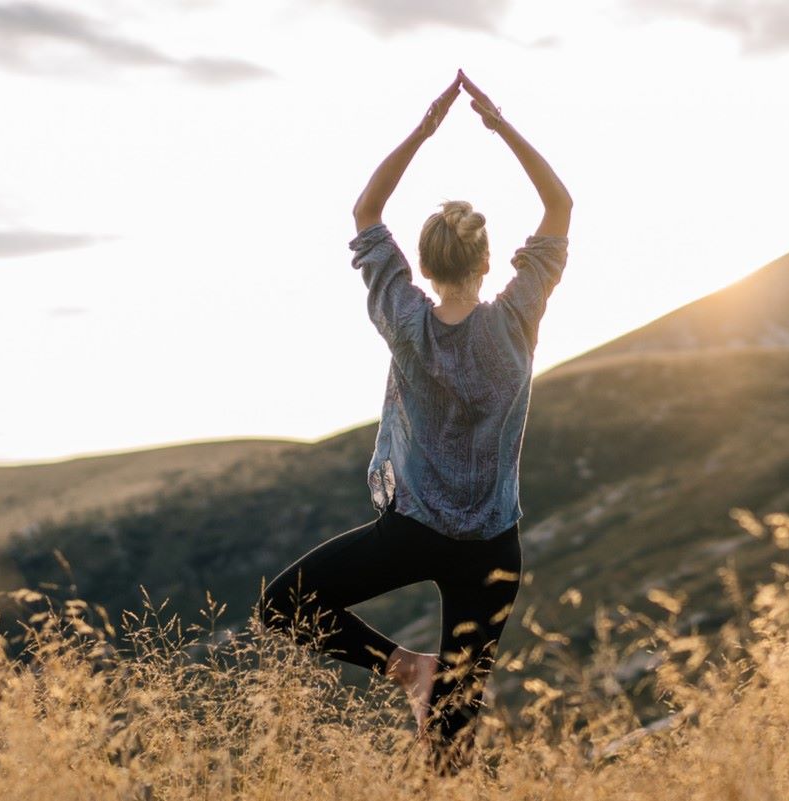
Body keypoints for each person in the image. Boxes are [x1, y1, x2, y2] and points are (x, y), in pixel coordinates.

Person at [255, 69, 572, 777]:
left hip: (412, 531)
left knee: (281, 605)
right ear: (490, 263)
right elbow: (559, 202)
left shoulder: (403, 319)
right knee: (449, 756)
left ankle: (403, 667)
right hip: (492, 546)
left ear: (422, 266)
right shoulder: (518, 318)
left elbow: (367, 207)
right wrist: (499, 123)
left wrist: (425, 130)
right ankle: (427, 697)